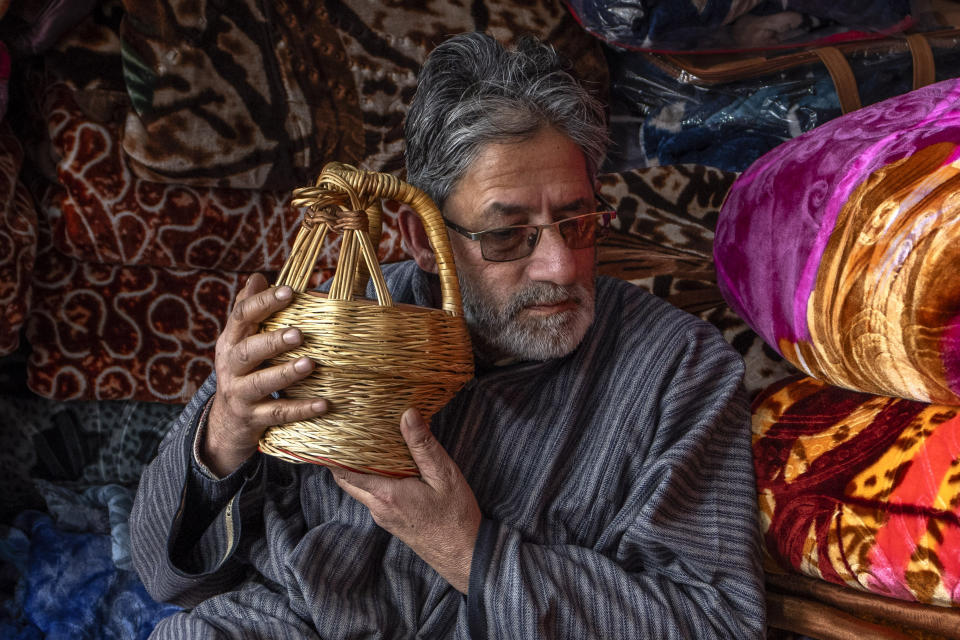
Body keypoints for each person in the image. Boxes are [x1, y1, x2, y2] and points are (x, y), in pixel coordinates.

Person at [130, 32, 765, 639]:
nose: (561, 266)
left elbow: (717, 622)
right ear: (422, 241)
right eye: (506, 234)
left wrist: (470, 551)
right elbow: (161, 575)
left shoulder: (680, 368)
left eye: (578, 221)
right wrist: (222, 436)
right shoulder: (333, 327)